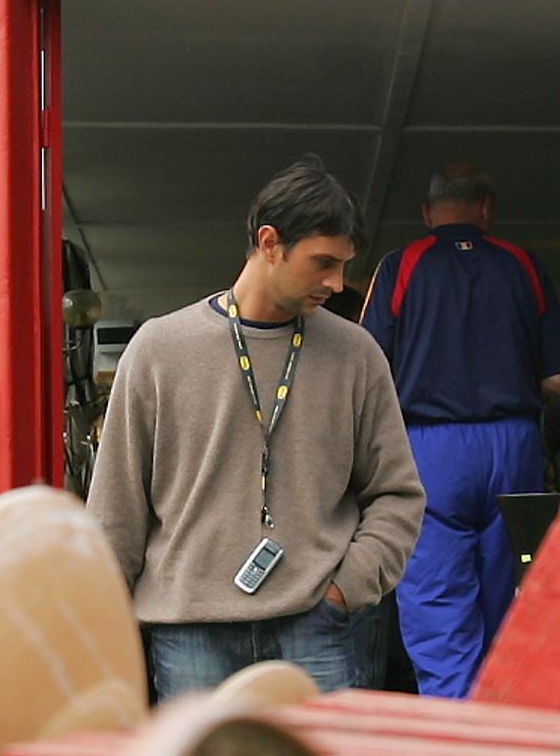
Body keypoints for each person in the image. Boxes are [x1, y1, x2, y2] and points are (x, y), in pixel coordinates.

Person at [87, 155, 423, 699]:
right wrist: (103, 630)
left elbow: (399, 494)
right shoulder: (157, 350)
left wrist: (347, 587)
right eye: (322, 263)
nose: (336, 283)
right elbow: (116, 509)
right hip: (188, 632)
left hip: (319, 626)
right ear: (270, 243)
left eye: (342, 265)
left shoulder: (356, 354)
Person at [361, 163, 560, 698]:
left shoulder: (401, 265)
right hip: (514, 446)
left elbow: (365, 369)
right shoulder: (523, 265)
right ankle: (509, 725)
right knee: (510, 601)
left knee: (437, 606)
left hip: (431, 449)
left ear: (429, 213)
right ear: (487, 210)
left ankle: (457, 733)